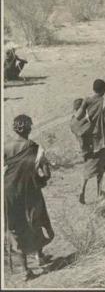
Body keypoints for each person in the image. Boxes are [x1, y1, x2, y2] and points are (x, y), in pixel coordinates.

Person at [4, 115, 54, 280]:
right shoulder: (36, 148)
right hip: (30, 192)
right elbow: (46, 173)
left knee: (16, 228)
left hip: (9, 193)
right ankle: (39, 256)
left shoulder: (4, 147)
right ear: (28, 128)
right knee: (36, 221)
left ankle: (25, 271)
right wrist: (40, 180)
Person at [74, 79, 105, 204]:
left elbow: (77, 117)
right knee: (102, 165)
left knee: (88, 164)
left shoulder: (87, 100)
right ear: (104, 89)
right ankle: (99, 191)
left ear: (94, 89)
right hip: (102, 139)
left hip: (88, 139)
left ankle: (82, 191)